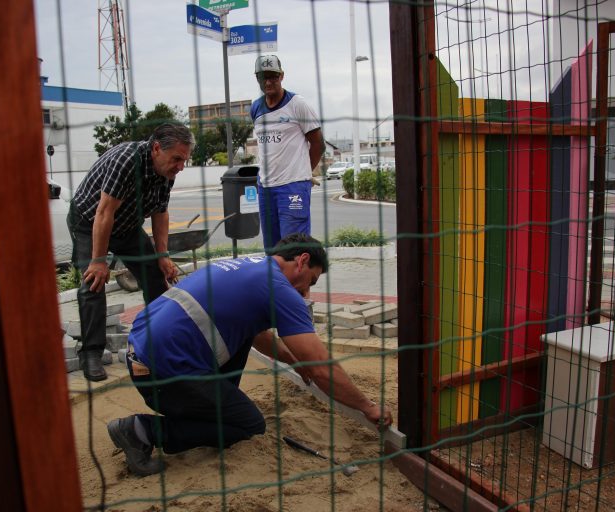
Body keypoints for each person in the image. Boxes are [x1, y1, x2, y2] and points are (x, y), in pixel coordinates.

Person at [107, 233, 392, 477]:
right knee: (249, 425)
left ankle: (216, 408)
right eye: (311, 281)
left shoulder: (246, 266)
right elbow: (321, 368)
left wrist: (295, 361)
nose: (306, 293)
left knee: (245, 333)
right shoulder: (279, 288)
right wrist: (368, 407)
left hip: (146, 355)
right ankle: (142, 430)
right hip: (164, 375)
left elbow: (258, 335)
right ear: (302, 260)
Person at [67, 122, 193, 382]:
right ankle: (91, 353)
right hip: (89, 222)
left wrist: (162, 255)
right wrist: (99, 260)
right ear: (157, 148)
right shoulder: (126, 161)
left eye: (185, 160)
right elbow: (104, 212)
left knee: (156, 277)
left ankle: (158, 339)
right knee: (94, 281)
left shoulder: (166, 172)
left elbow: (160, 212)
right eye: (177, 159)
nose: (181, 166)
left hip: (127, 226)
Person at [251, 55, 325, 249]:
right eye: (263, 77)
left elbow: (318, 144)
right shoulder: (256, 107)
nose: (268, 82)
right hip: (266, 188)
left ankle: (297, 281)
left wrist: (303, 173)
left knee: (293, 251)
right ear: (257, 79)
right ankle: (276, 281)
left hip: (293, 187)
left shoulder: (297, 104)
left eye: (273, 76)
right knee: (272, 250)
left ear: (282, 76)